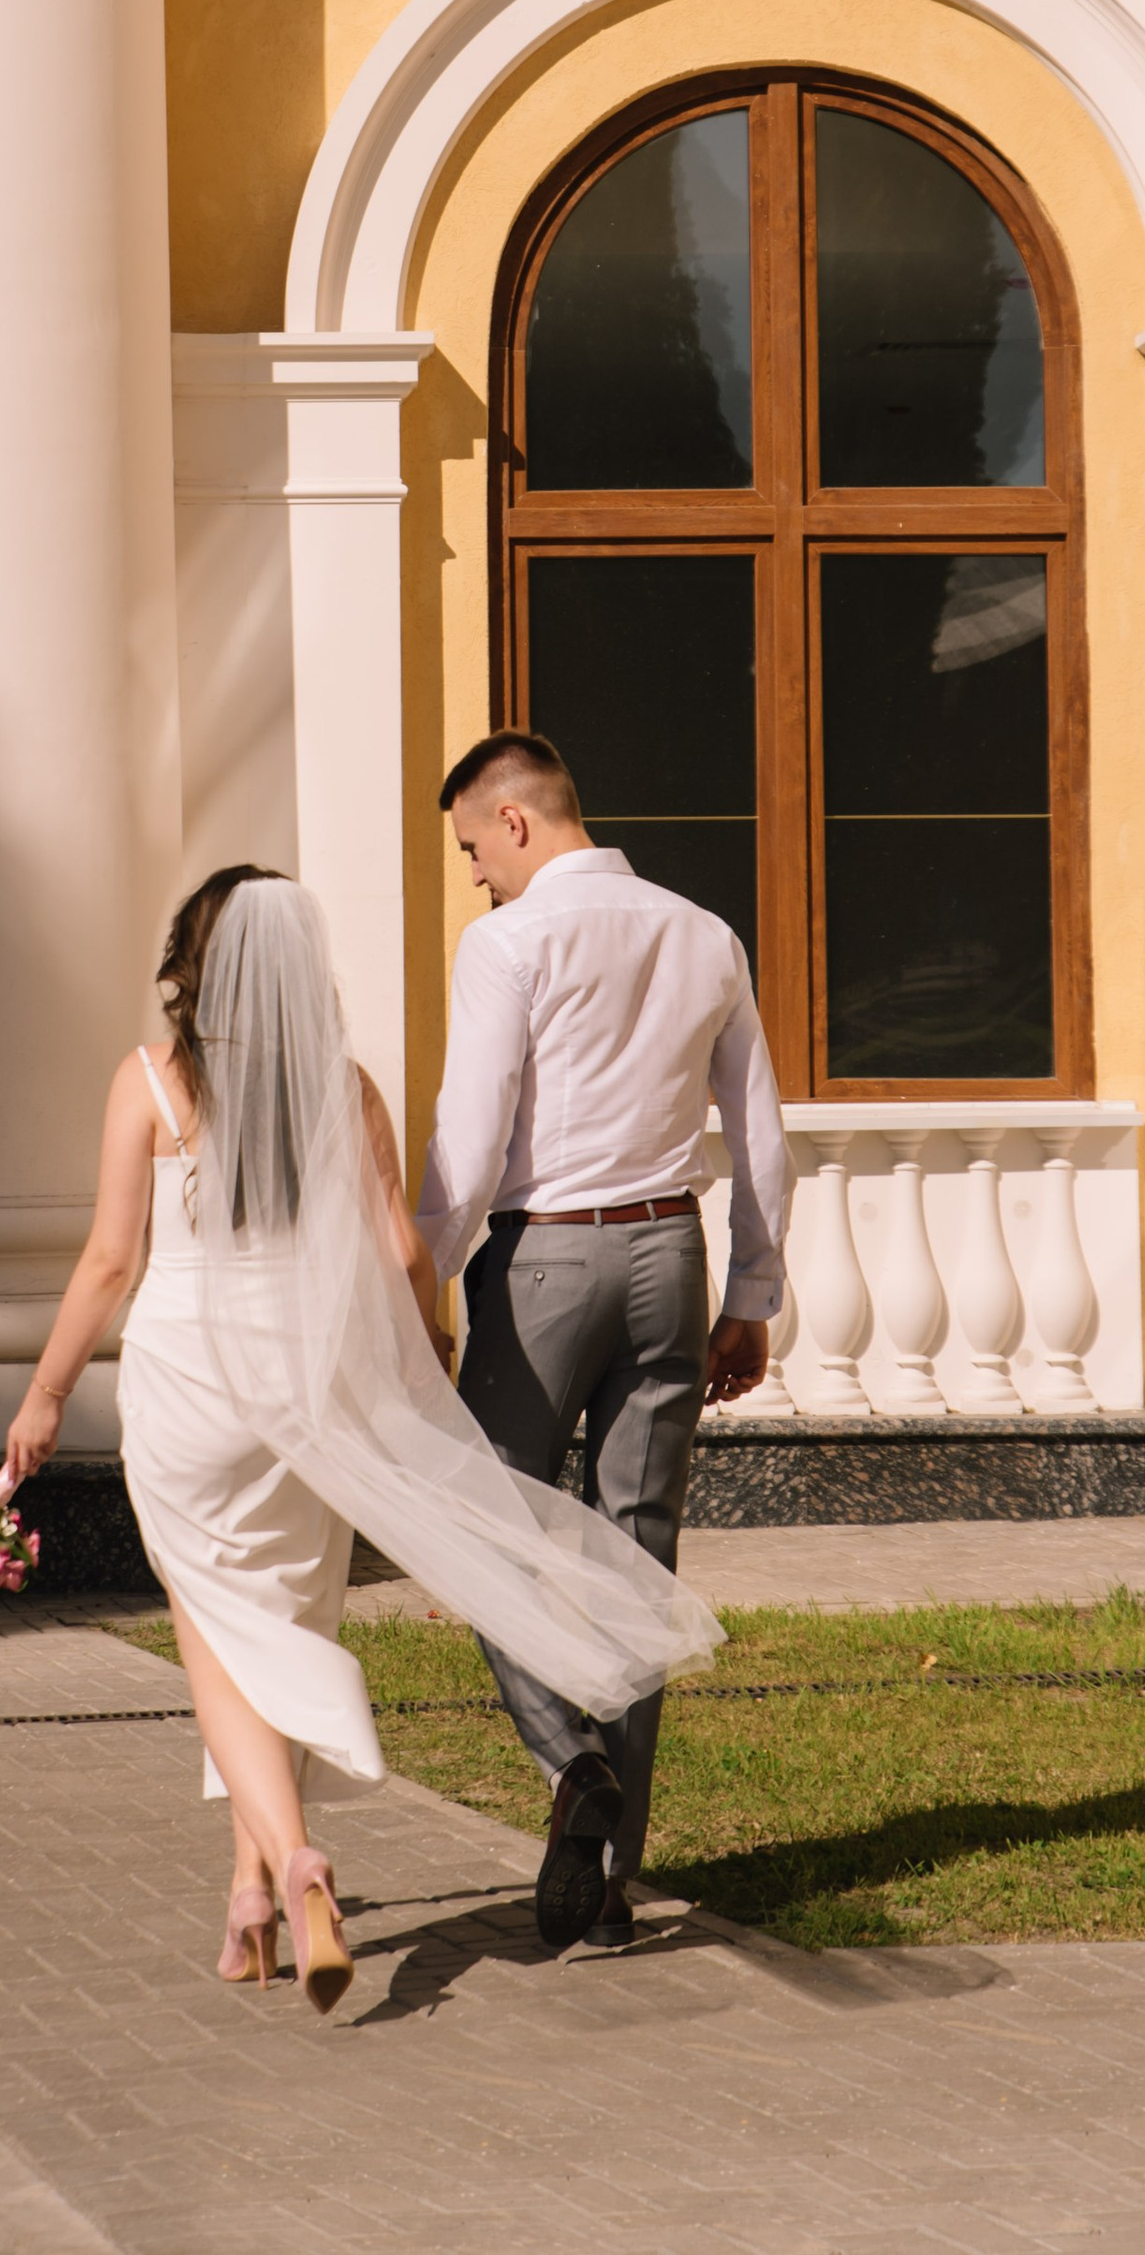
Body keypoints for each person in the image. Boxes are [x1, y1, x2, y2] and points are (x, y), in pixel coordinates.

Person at [2, 866, 720, 2016]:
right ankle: (246, 1892)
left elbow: (109, 1262)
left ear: (195, 962)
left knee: (218, 1631)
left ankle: (290, 1863)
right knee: (281, 1618)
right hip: (308, 1395)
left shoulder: (150, 1083)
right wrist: (414, 1355)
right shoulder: (345, 1089)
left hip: (188, 1386)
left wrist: (42, 1395)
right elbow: (402, 1254)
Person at [417, 730, 793, 1954]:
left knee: (479, 1520)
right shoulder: (703, 930)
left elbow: (469, 1147)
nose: (478, 874)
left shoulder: (509, 941)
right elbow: (759, 1126)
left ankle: (570, 1761)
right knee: (637, 1558)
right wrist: (752, 1292)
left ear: (516, 820)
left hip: (544, 1261)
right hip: (669, 1258)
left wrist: (415, 1277)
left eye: (475, 848)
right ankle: (612, 1887)